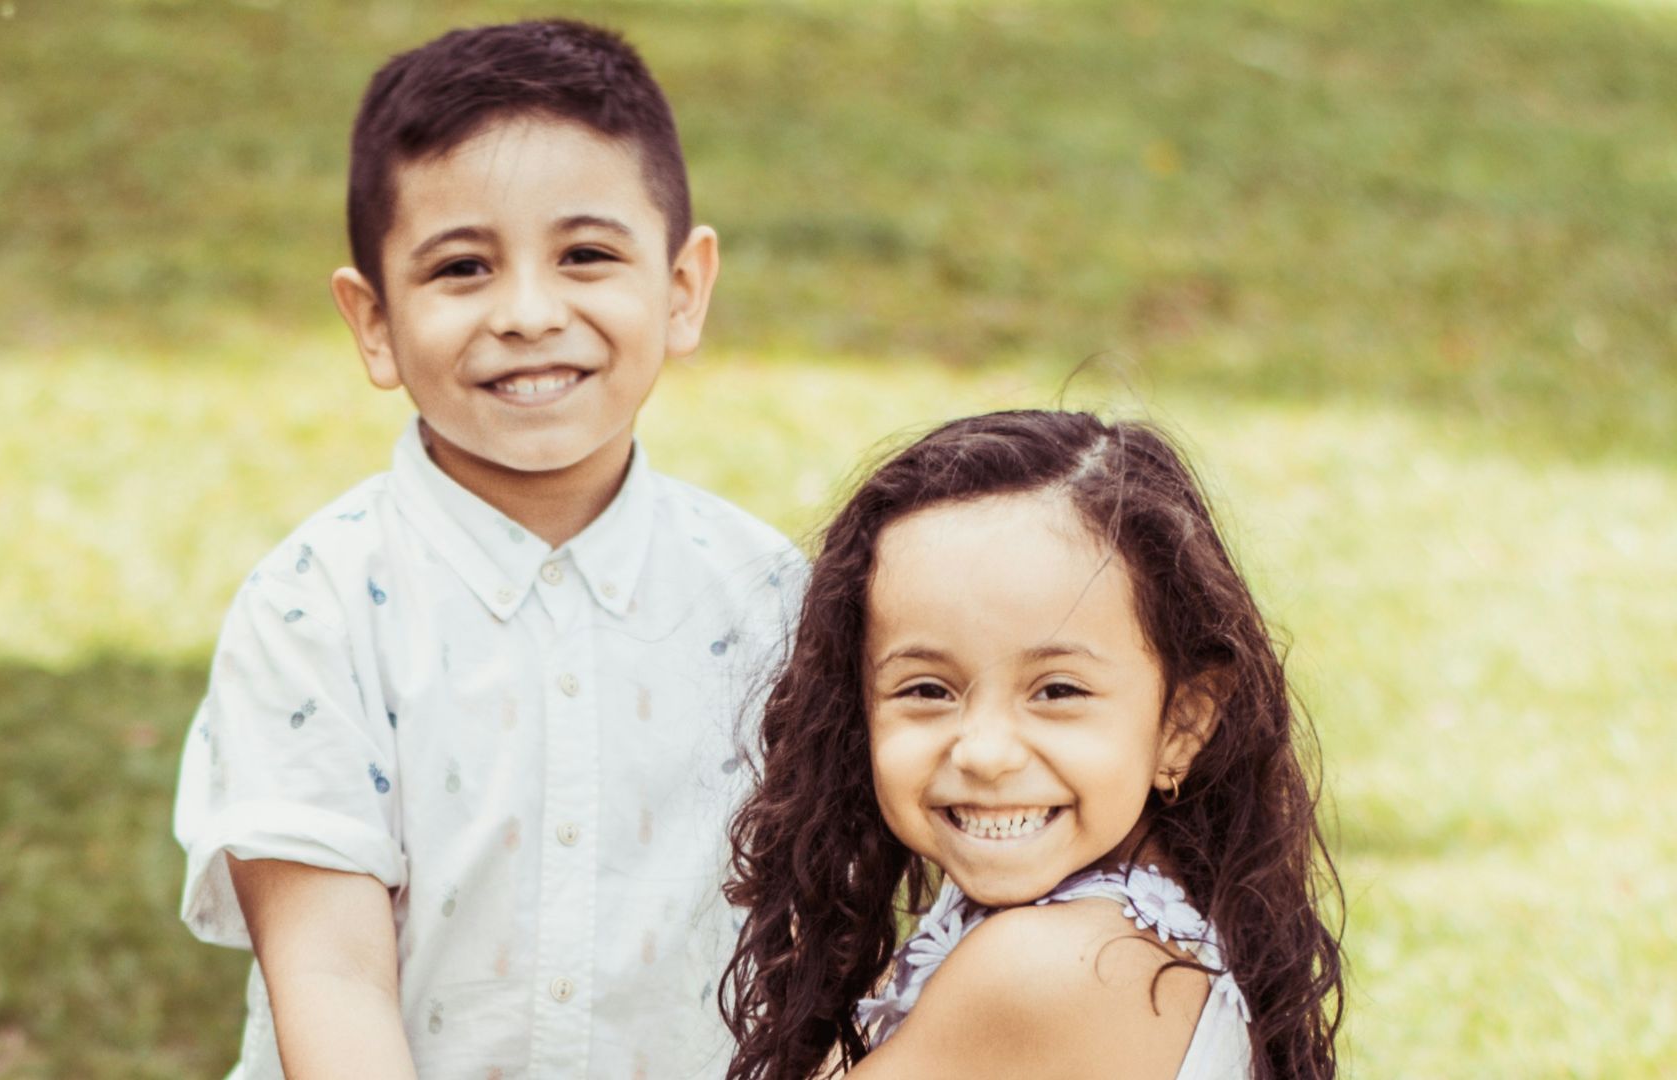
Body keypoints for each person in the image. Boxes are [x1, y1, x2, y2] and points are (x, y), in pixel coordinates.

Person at [173, 20, 802, 1079]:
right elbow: (330, 976)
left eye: (586, 256)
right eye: (462, 267)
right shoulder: (313, 609)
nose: (526, 313)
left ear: (683, 289)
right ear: (373, 323)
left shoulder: (775, 597)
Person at [721, 410, 1344, 1079]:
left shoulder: (1053, 968)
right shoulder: (1118, 924)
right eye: (928, 689)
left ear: (1182, 723)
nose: (985, 753)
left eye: (1057, 691)